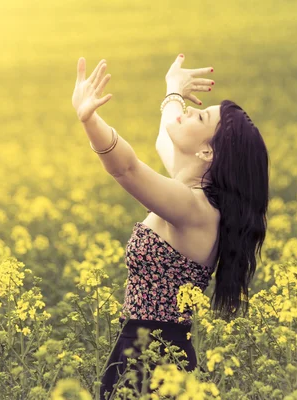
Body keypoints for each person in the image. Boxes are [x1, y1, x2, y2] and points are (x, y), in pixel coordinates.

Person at [72, 53, 269, 399]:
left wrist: (89, 120)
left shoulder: (197, 210)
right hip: (144, 352)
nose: (190, 112)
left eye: (201, 116)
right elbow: (166, 137)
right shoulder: (190, 187)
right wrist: (173, 89)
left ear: (207, 152)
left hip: (156, 362)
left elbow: (127, 169)